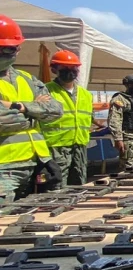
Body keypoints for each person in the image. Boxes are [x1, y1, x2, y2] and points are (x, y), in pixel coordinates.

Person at [0, 15, 63, 201]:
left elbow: (55, 110)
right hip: (4, 168)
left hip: (38, 161)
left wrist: (18, 107)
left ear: (18, 48)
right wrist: (35, 113)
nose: (3, 53)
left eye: (8, 49)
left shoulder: (27, 79)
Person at [40, 50, 93, 187]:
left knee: (78, 184)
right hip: (56, 147)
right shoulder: (45, 91)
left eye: (73, 68)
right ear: (54, 69)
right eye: (65, 68)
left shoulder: (86, 94)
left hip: (80, 145)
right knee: (56, 185)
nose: (70, 71)